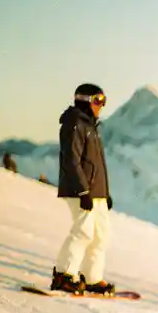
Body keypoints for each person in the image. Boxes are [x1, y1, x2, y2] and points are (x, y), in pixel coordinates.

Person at [51, 83, 115, 295]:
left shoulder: (91, 127)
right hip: (79, 190)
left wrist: (104, 194)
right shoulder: (75, 124)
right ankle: (64, 275)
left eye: (103, 101)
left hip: (95, 192)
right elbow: (72, 160)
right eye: (97, 100)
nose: (101, 105)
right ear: (85, 100)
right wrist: (83, 191)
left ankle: (92, 278)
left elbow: (97, 165)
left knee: (100, 235)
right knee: (83, 232)